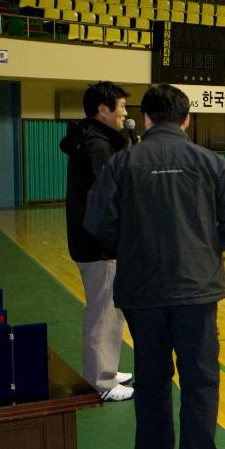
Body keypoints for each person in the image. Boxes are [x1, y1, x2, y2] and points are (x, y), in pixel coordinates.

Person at [85, 82, 225, 449]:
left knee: (152, 379)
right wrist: (203, 249)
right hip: (196, 292)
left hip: (143, 292)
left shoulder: (123, 163)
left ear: (146, 118)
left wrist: (133, 249)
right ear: (187, 119)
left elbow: (99, 222)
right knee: (200, 379)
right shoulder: (209, 162)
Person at [60, 80, 134, 401]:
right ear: (103, 110)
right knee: (103, 311)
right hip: (98, 246)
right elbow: (104, 200)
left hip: (95, 242)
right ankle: (101, 382)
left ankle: (108, 367)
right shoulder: (97, 147)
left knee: (110, 308)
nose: (126, 114)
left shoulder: (96, 141)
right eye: (121, 108)